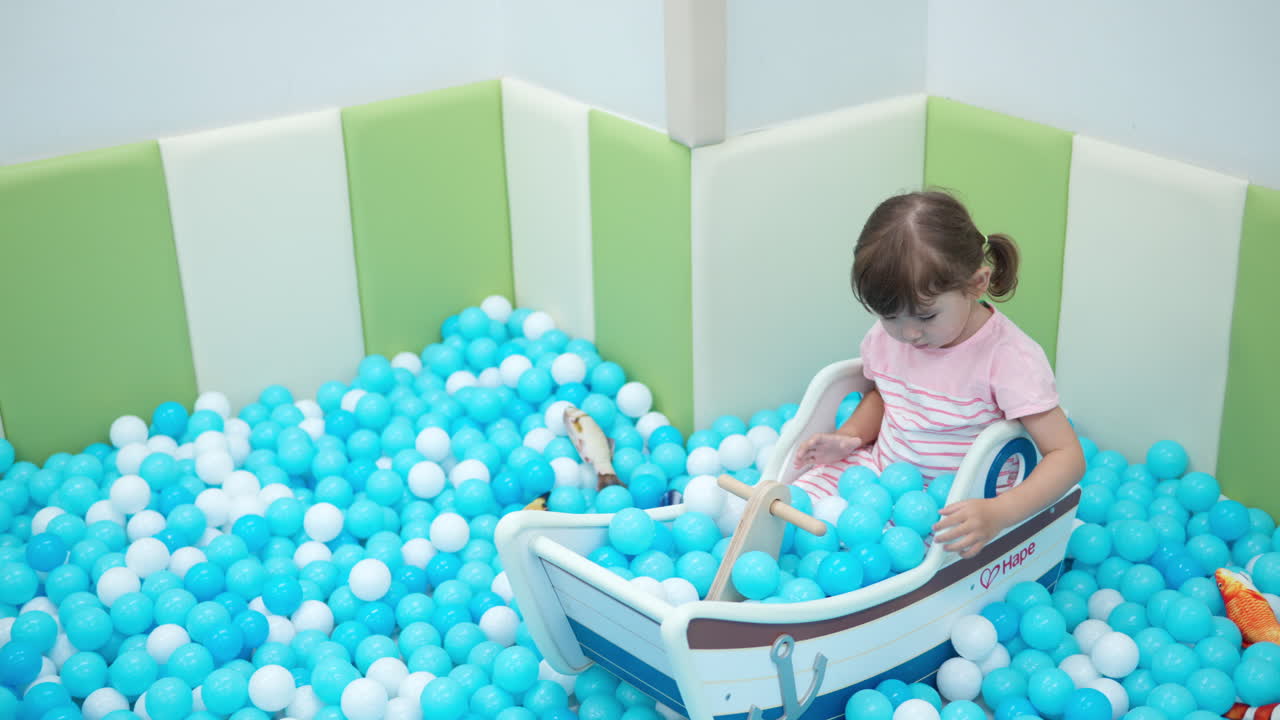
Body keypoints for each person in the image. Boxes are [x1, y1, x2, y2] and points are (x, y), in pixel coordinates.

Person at [791, 190, 1084, 559]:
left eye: (926, 316)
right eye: (889, 317)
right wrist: (850, 436)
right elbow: (885, 396)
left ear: (976, 284)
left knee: (898, 559)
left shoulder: (1008, 360)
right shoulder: (888, 339)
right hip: (879, 477)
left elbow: (1066, 455)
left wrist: (998, 513)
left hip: (963, 505)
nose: (908, 334)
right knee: (795, 504)